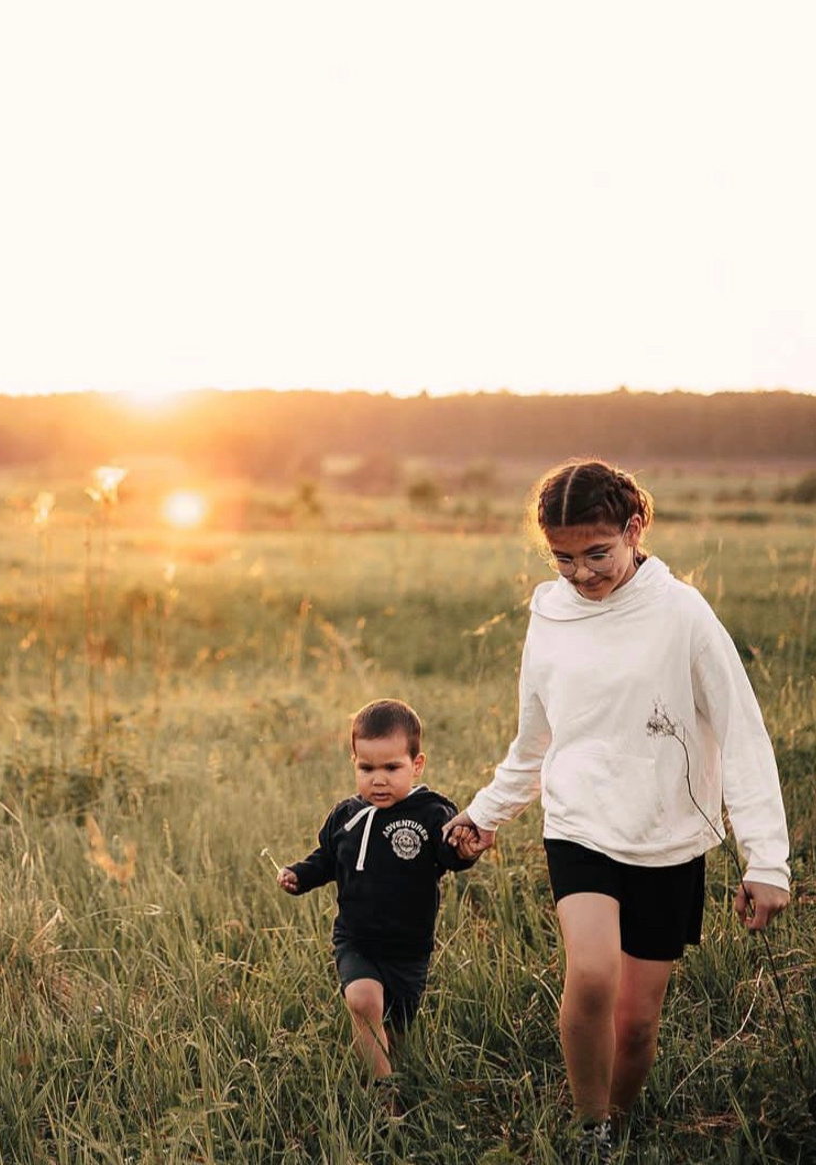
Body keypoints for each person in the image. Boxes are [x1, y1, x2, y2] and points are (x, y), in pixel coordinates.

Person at [443, 458, 791, 1162]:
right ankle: (590, 1125)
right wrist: (486, 814)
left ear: (635, 530)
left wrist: (768, 860)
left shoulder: (682, 612)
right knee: (593, 973)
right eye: (563, 558)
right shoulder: (549, 611)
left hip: (667, 834)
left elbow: (741, 728)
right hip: (579, 824)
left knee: (636, 1024)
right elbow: (537, 739)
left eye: (597, 553)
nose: (581, 573)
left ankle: (620, 1120)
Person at [277, 698, 479, 1104]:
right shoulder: (346, 815)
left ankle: (395, 1068)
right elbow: (328, 858)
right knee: (364, 1000)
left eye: (391, 768)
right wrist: (301, 874)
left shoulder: (431, 813)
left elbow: (450, 857)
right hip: (357, 940)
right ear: (354, 762)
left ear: (416, 764)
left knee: (397, 1029)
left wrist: (465, 852)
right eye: (366, 768)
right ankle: (384, 1097)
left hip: (408, 948)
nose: (378, 780)